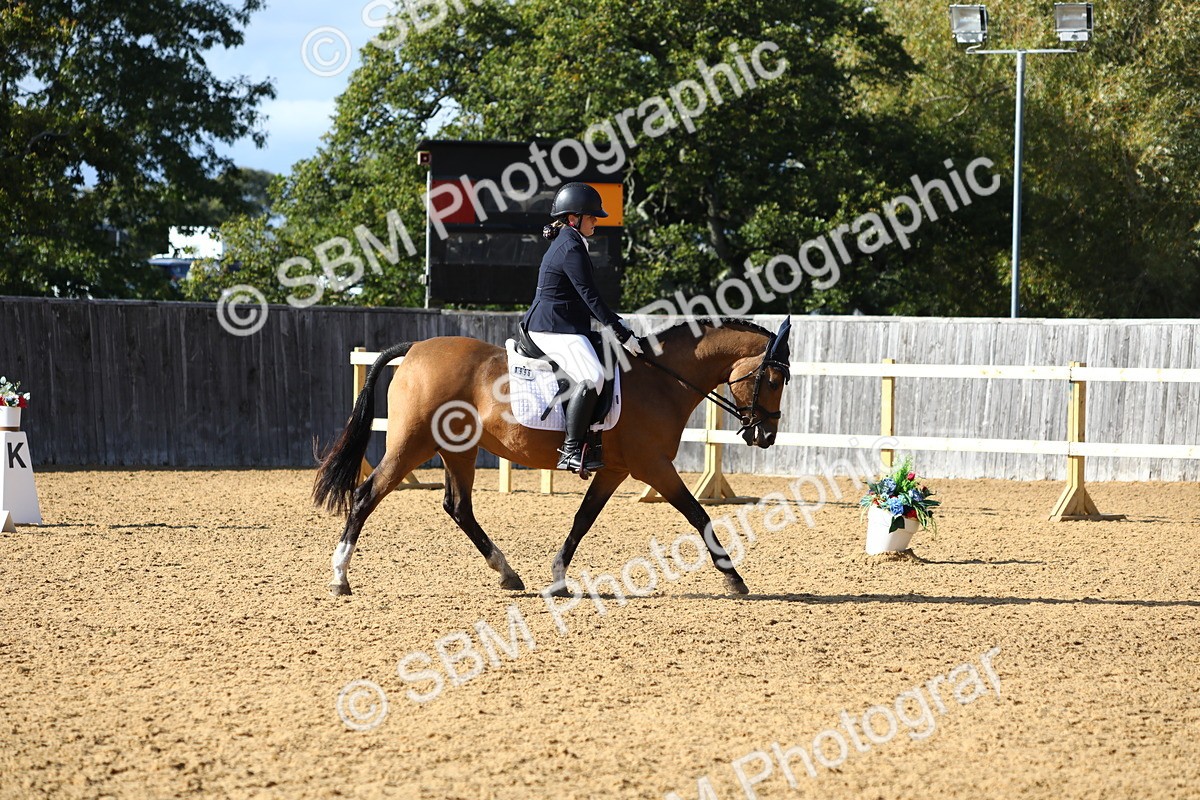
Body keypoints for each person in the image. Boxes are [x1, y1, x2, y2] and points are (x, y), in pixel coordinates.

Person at [521, 182, 642, 474]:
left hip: (566, 324)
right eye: (592, 217)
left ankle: (594, 439)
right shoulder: (571, 246)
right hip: (551, 327)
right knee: (591, 377)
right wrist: (621, 331)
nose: (596, 221)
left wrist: (616, 324)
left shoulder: (570, 240)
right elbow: (590, 297)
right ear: (574, 218)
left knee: (602, 356)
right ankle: (571, 449)